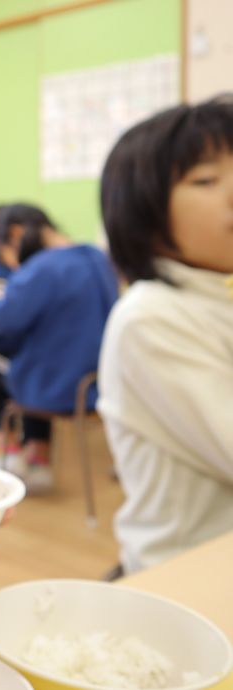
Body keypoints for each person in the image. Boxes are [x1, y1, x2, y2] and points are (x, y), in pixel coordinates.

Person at [98, 95, 233, 574]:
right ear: (149, 220)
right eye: (206, 180)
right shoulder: (151, 318)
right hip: (186, 574)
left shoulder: (217, 296)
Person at [0, 203, 118, 493]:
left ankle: (9, 451)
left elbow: (3, 317)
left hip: (57, 387)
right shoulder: (97, 257)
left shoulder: (42, 268)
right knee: (31, 354)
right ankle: (38, 454)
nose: (14, 267)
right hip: (100, 383)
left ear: (16, 235)